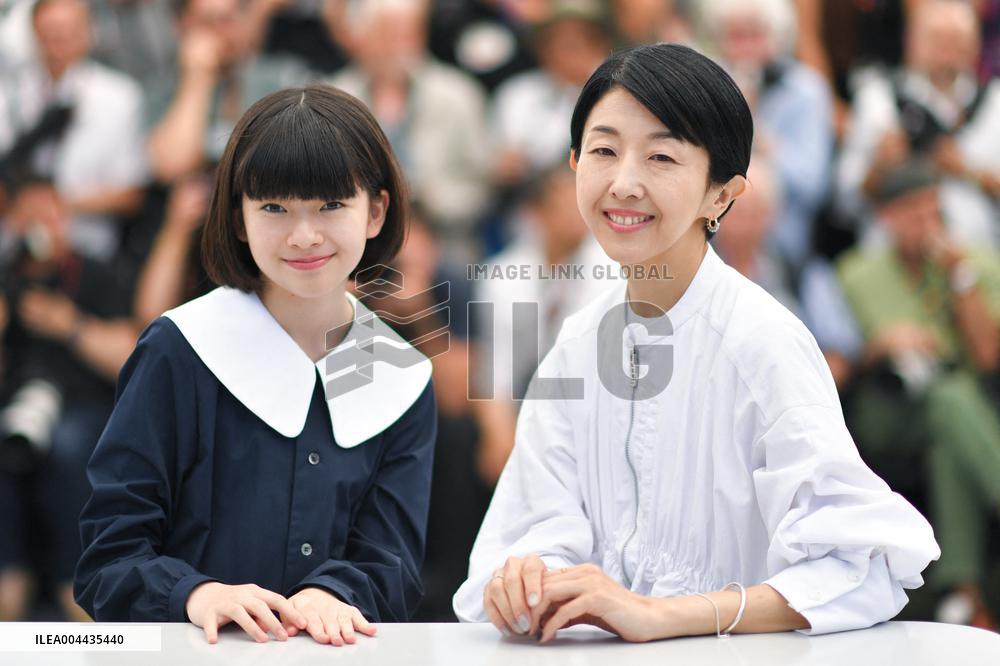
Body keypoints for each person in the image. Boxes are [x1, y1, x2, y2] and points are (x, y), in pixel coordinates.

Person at [452, 43, 939, 642]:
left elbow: (863, 564)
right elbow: (536, 526)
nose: (624, 183)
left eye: (661, 157)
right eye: (603, 151)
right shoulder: (577, 342)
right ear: (575, 164)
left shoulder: (761, 342)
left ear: (722, 194)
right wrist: (526, 581)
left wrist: (662, 615)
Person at [74, 85, 438, 645]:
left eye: (332, 205)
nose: (304, 235)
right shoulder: (181, 347)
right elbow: (109, 555)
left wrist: (331, 594)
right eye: (274, 207)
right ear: (238, 219)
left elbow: (392, 565)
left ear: (376, 211)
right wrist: (195, 594)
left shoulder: (400, 373)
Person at [836, 160, 1000, 629]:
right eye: (912, 214)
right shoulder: (859, 272)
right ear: (887, 219)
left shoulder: (971, 264)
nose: (926, 225)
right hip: (889, 408)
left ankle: (962, 597)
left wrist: (961, 280)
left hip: (960, 409)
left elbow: (986, 357)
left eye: (933, 212)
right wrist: (879, 346)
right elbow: (843, 354)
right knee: (951, 401)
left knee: (949, 428)